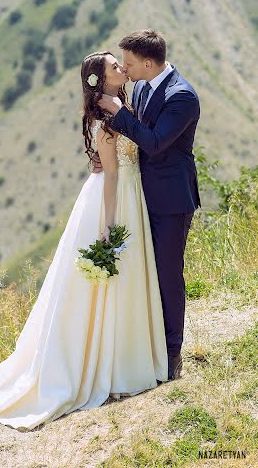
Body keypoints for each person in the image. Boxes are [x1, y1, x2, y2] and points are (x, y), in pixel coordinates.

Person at [0, 51, 168, 431]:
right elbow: (112, 175)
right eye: (114, 66)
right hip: (112, 201)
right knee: (108, 280)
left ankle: (126, 359)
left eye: (121, 63)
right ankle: (106, 366)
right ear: (100, 80)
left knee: (128, 280)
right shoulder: (108, 120)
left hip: (133, 194)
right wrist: (110, 226)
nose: (122, 67)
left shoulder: (124, 103)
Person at [96, 30, 201, 382]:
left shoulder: (182, 97)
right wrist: (106, 156)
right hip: (140, 196)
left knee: (168, 274)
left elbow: (155, 143)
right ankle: (148, 347)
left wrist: (115, 112)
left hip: (172, 200)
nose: (124, 69)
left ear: (147, 62)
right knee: (145, 272)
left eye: (127, 62)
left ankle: (172, 354)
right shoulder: (141, 86)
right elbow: (135, 139)